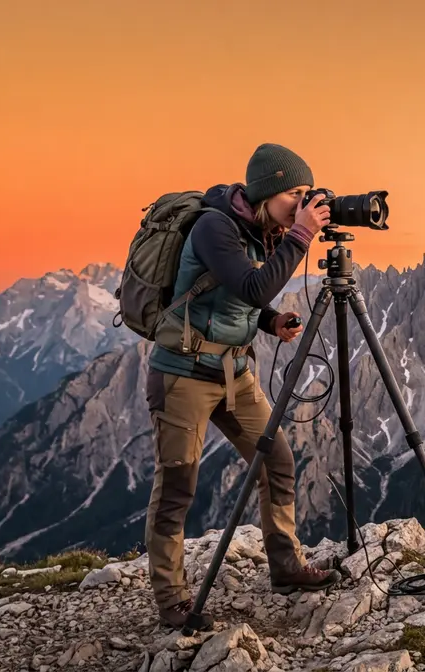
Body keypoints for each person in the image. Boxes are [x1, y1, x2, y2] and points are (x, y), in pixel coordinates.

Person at [143, 142, 342, 630]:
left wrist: (272, 321)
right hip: (184, 372)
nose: (301, 203)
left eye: (305, 194)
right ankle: (172, 599)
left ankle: (286, 566)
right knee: (177, 486)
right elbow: (252, 285)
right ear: (268, 191)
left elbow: (245, 298)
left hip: (235, 370)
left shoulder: (263, 232)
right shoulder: (215, 226)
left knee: (277, 461)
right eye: (295, 193)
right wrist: (301, 235)